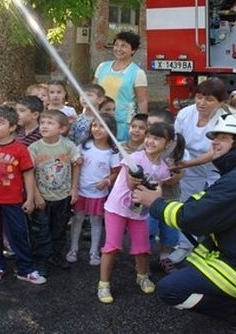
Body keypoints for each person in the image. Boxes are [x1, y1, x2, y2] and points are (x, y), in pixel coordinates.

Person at [132, 111, 236, 332]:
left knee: (170, 289)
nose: (214, 141)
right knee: (195, 261)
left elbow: (193, 219)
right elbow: (210, 201)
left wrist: (156, 203)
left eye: (223, 137)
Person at [97, 122, 185, 304]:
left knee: (143, 247)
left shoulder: (162, 167)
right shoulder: (134, 158)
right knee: (112, 246)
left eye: (157, 138)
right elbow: (130, 185)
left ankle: (142, 276)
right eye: (149, 137)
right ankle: (103, 283)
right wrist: (137, 177)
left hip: (140, 212)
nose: (151, 141)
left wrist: (155, 190)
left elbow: (159, 190)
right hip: (117, 208)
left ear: (168, 143)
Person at [0, 105, 46, 285]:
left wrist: (29, 198)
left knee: (19, 233)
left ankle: (25, 269)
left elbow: (28, 174)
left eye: (0, 123)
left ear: (12, 127)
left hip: (13, 200)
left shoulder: (20, 149)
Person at [169, 77, 228, 262]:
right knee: (186, 204)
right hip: (188, 163)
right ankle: (185, 245)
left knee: (215, 208)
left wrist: (185, 165)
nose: (202, 103)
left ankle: (216, 248)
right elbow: (176, 141)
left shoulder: (225, 120)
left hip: (216, 166)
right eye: (199, 97)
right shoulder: (186, 113)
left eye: (209, 99)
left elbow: (214, 152)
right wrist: (176, 162)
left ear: (220, 102)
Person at [28, 110, 81, 275]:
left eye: (50, 123)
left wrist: (74, 189)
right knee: (41, 231)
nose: (44, 125)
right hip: (42, 198)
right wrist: (36, 196)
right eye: (42, 122)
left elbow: (76, 164)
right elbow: (29, 173)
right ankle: (41, 260)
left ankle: (56, 255)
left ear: (62, 128)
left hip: (63, 197)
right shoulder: (34, 148)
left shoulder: (68, 146)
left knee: (60, 229)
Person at [66, 113, 121, 267]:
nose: (97, 129)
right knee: (77, 219)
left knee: (96, 221)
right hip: (81, 190)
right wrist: (74, 187)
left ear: (111, 130)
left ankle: (94, 251)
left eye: (102, 126)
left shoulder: (112, 151)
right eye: (95, 125)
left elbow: (116, 171)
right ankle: (73, 248)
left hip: (98, 192)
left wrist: (107, 180)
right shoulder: (84, 145)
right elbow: (75, 164)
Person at [146, 109, 185, 274]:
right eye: (149, 126)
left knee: (168, 230)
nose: (150, 131)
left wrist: (172, 175)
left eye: (155, 126)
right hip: (149, 199)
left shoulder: (177, 150)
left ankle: (164, 257)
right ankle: (143, 260)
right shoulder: (145, 149)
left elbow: (178, 175)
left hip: (170, 198)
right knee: (148, 229)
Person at [93, 30, 149, 141]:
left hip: (122, 122)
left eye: (124, 46)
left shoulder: (137, 73)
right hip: (100, 119)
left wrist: (143, 124)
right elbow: (93, 93)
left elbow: (142, 100)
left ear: (133, 50)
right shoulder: (102, 67)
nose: (118, 49)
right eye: (116, 45)